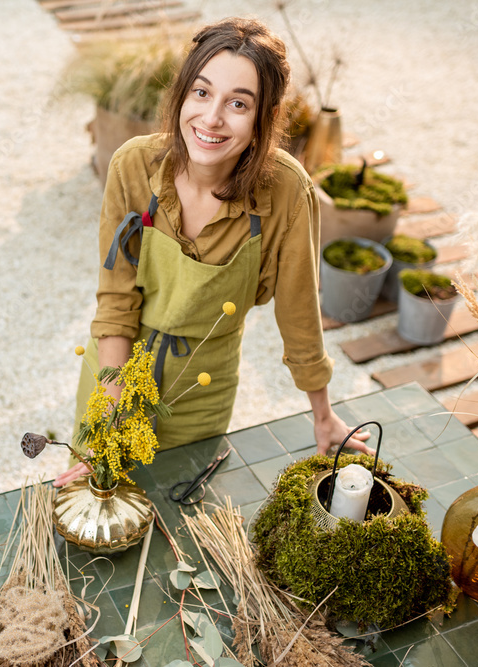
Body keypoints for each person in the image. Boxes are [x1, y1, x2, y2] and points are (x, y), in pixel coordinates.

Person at [54, 18, 371, 488]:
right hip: (116, 368)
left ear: (265, 116)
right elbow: (117, 303)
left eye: (238, 103)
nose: (212, 118)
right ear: (182, 94)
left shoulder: (285, 191)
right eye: (201, 93)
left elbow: (299, 311)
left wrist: (323, 417)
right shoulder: (133, 166)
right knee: (96, 507)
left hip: (201, 388)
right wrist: (108, 420)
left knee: (176, 511)